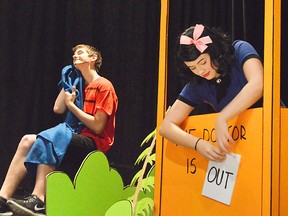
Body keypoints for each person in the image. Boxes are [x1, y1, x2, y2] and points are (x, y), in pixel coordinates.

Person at [0, 44, 118, 216]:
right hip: (73, 136)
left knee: (54, 136)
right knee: (27, 140)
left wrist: (73, 106)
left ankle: (38, 199)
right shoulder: (78, 83)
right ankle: (3, 199)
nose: (75, 56)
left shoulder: (104, 85)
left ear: (93, 59)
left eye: (80, 53)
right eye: (74, 54)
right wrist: (68, 83)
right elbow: (58, 108)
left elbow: (98, 126)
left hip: (94, 143)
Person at [159, 24, 263, 162]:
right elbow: (166, 127)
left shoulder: (239, 50)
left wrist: (223, 117)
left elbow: (258, 84)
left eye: (203, 62)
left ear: (214, 51)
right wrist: (198, 144)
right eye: (192, 68)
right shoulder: (198, 84)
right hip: (244, 149)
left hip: (272, 131)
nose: (200, 71)